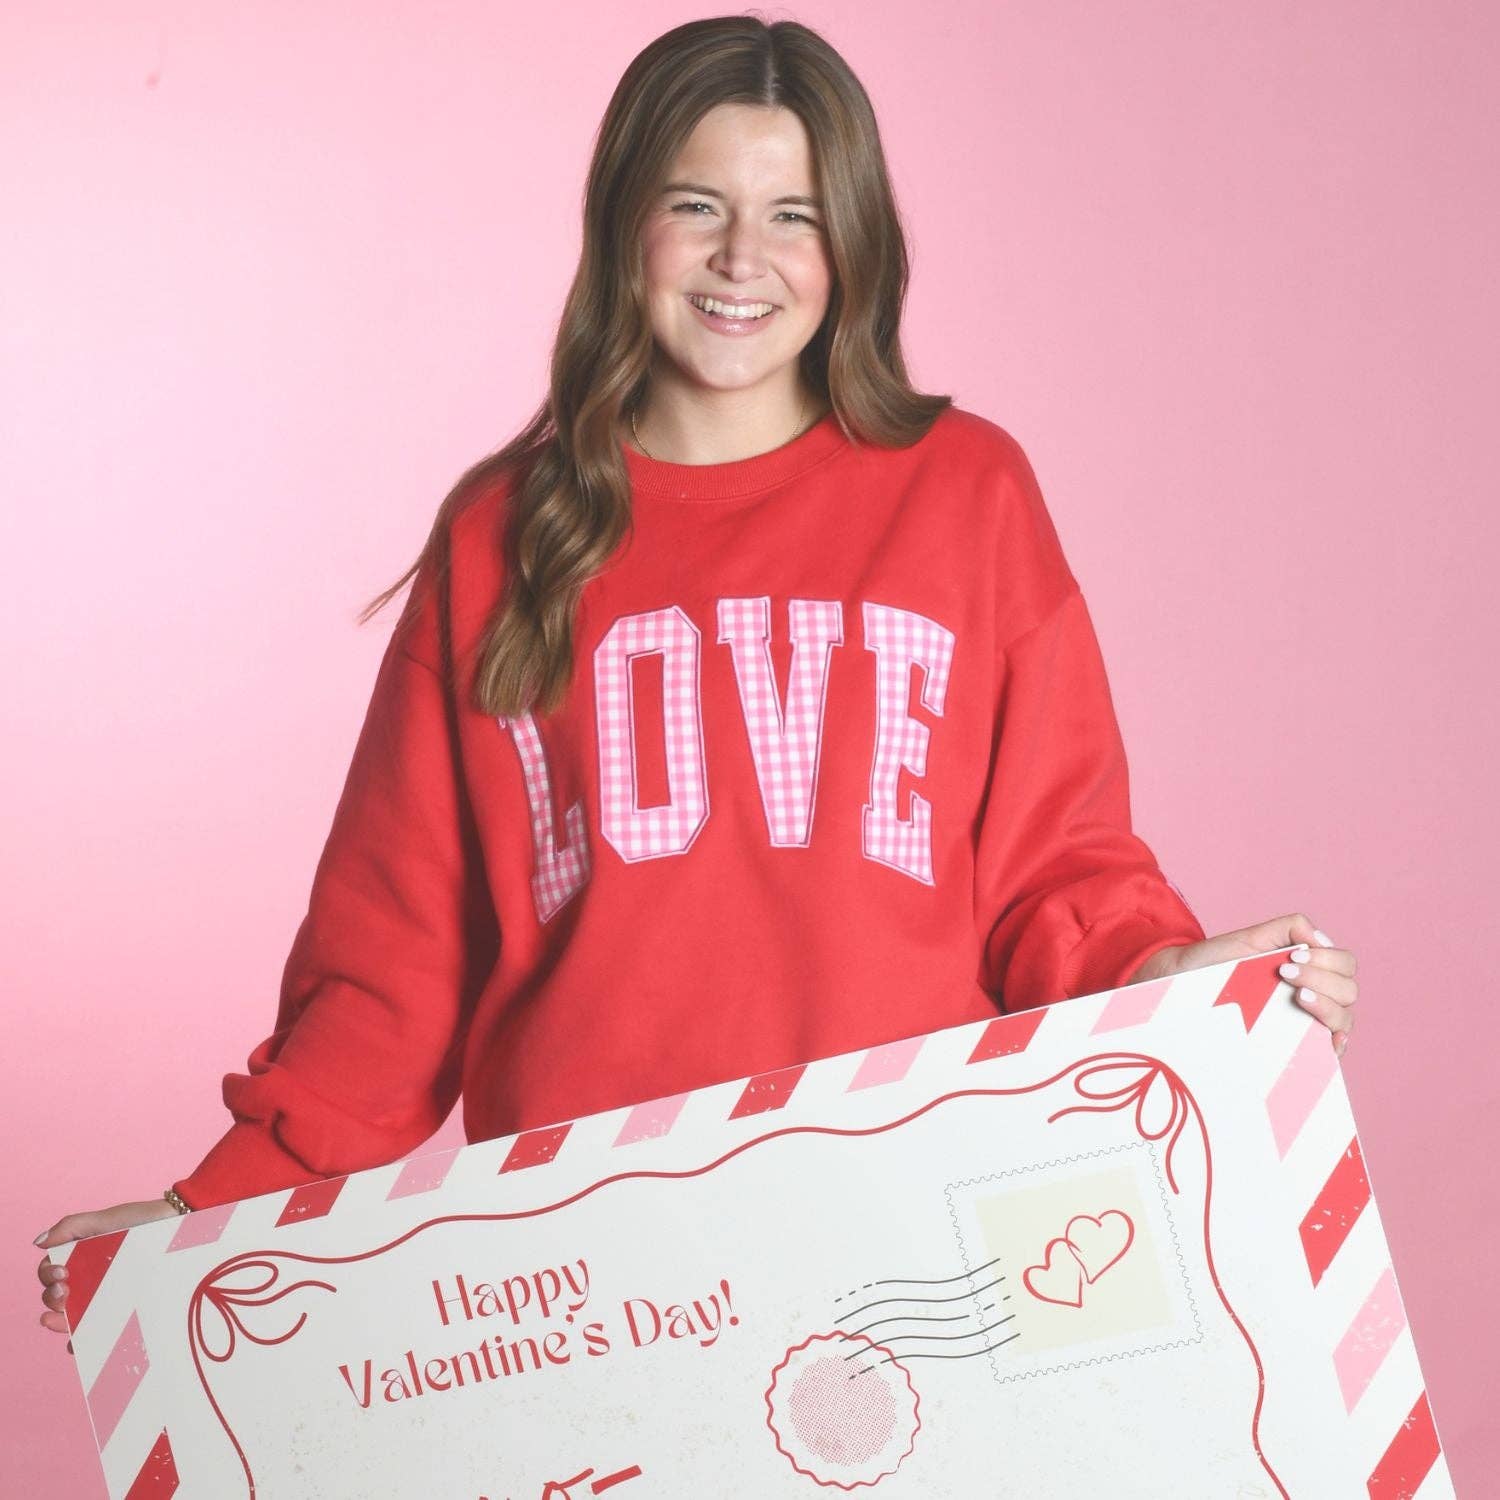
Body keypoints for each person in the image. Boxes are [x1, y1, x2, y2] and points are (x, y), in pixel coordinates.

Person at [36, 14, 1357, 1341]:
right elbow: (392, 972)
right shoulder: (502, 541)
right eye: (696, 205)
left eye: (794, 215)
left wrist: (1171, 973)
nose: (742, 258)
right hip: (598, 1270)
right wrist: (197, 1217)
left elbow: (1052, 868)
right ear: (625, 223)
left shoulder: (967, 494)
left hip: (920, 1210)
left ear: (854, 246)